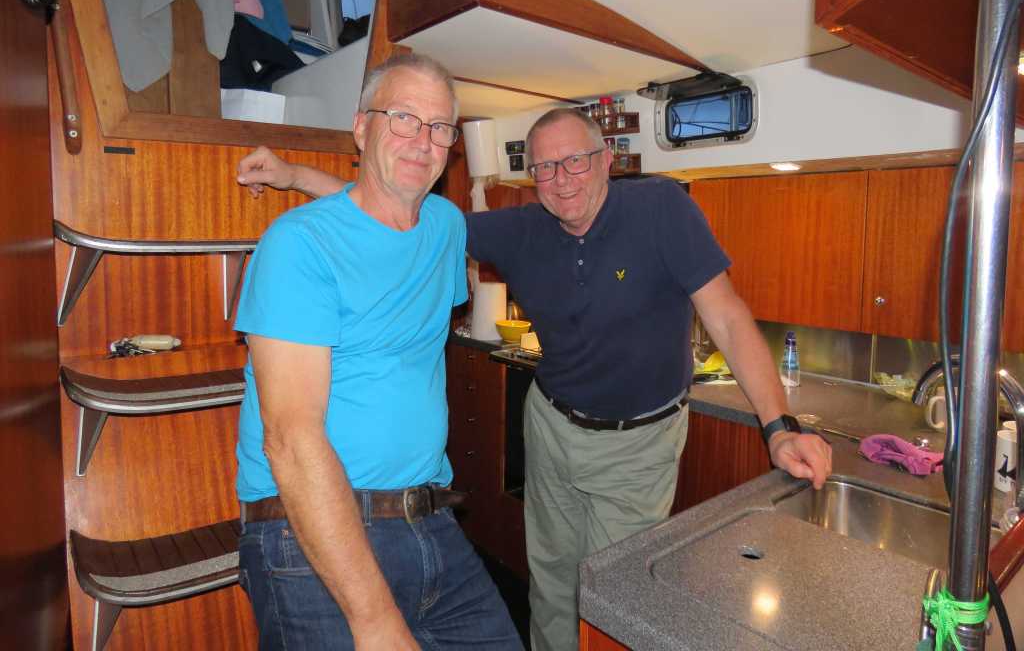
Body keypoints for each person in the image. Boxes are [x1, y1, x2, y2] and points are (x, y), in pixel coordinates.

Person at [236, 107, 832, 651]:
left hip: (638, 444)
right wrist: (294, 176)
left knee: (610, 598)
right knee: (551, 583)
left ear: (606, 159)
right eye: (545, 168)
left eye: (576, 161)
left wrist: (778, 427)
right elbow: (391, 210)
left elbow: (727, 318)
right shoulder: (521, 229)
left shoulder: (662, 209)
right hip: (552, 428)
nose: (562, 180)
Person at [233, 53, 523, 650]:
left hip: (432, 521)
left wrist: (295, 173)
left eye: (439, 127)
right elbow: (290, 440)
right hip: (310, 527)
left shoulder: (445, 226)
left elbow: (381, 202)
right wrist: (373, 620)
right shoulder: (297, 246)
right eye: (404, 118)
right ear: (361, 128)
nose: (423, 140)